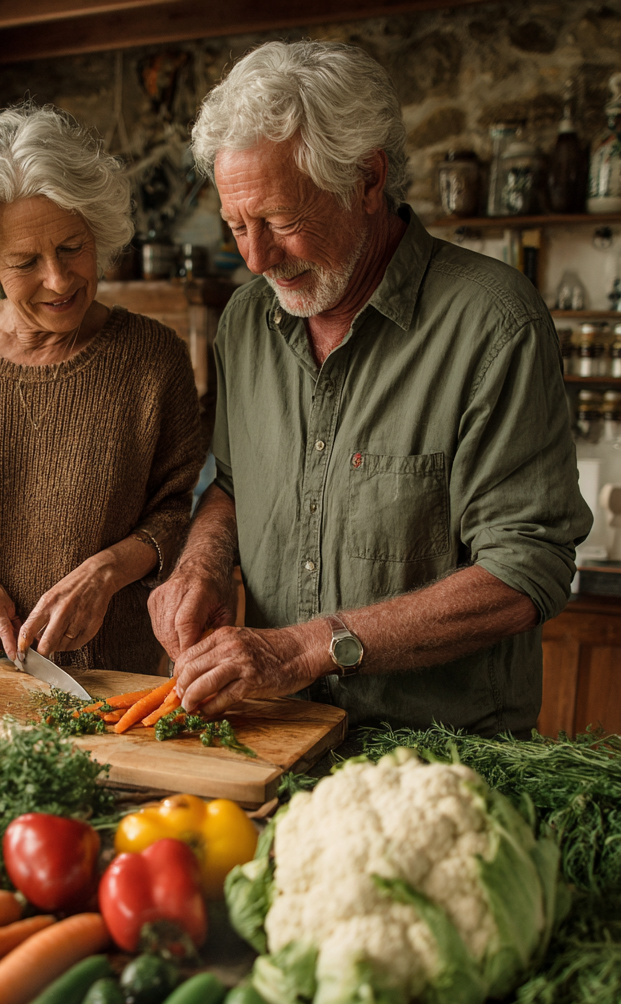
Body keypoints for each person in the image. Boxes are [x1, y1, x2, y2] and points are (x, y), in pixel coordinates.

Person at [149, 41, 592, 735]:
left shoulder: (493, 322)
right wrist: (202, 563)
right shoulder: (244, 322)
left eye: (281, 222)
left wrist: (304, 647)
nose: (256, 257)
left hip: (445, 757)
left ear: (367, 179)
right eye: (238, 226)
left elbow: (527, 568)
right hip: (277, 737)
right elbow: (233, 484)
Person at [0, 104, 204, 673]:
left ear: (97, 229)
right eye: (25, 261)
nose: (58, 278)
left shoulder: (152, 356)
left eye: (73, 247)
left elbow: (179, 513)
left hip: (108, 678)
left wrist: (108, 572)